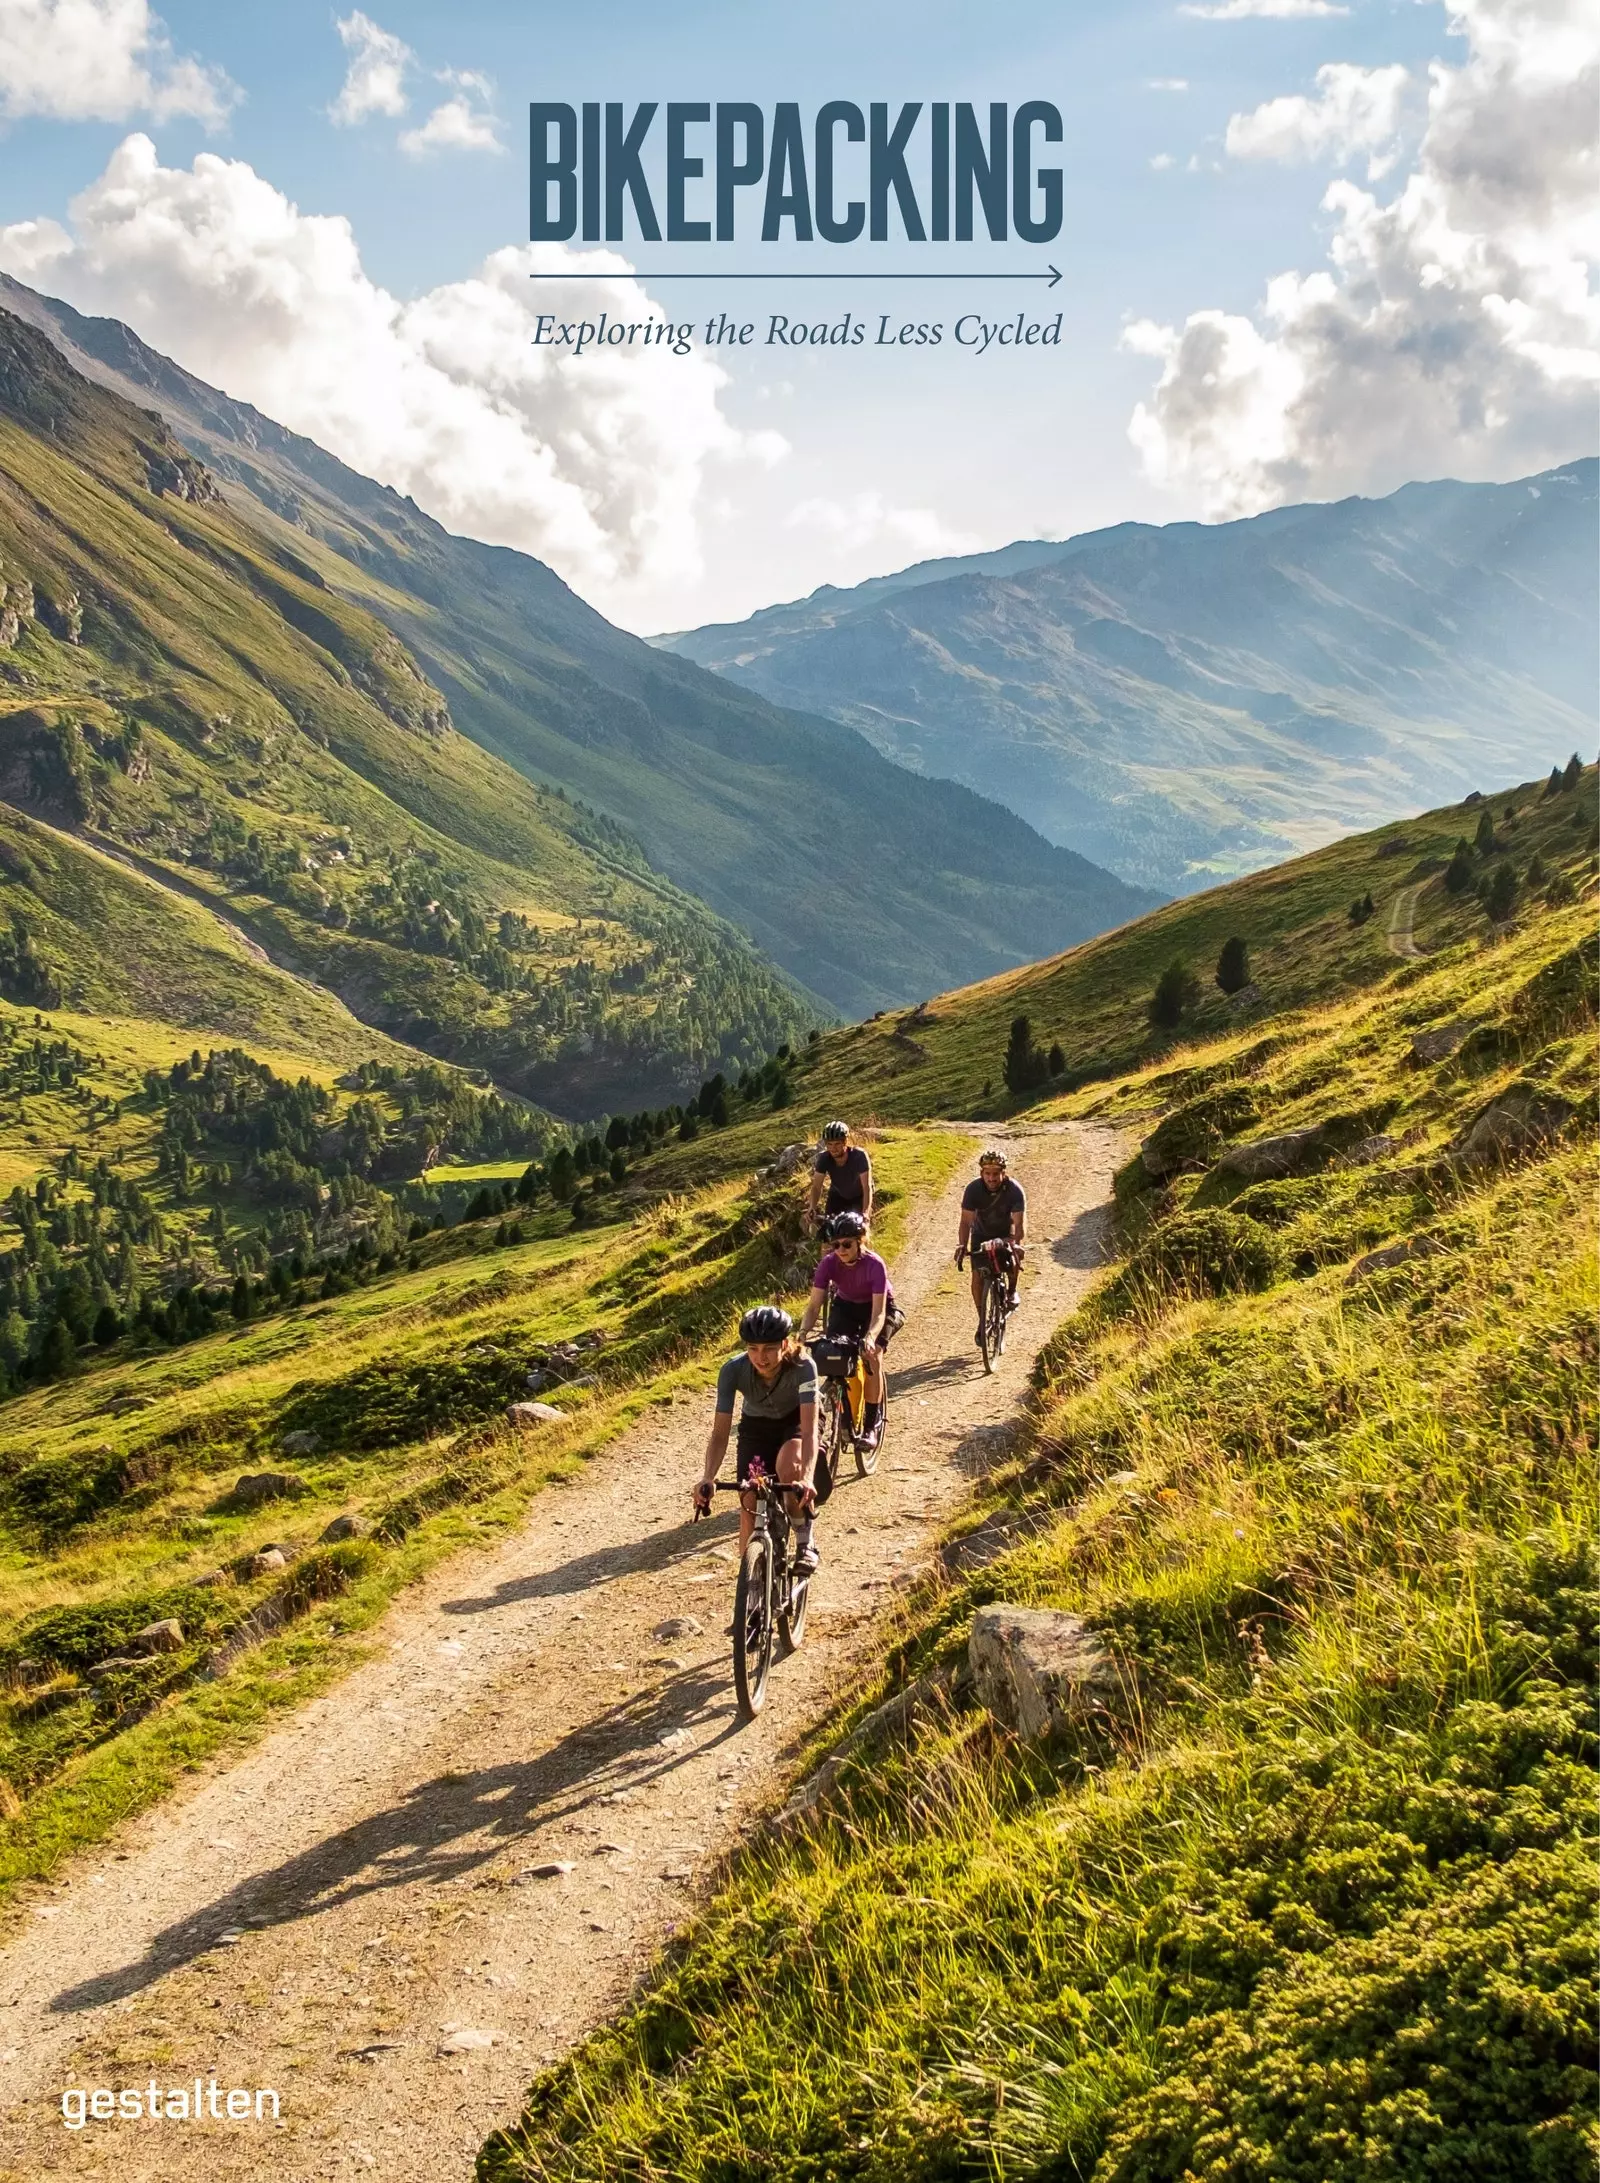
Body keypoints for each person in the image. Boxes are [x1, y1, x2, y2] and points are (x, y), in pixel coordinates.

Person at [693, 1304, 820, 1571]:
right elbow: (719, 1434)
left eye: (769, 1349)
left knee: (789, 1469)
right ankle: (753, 1581)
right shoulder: (732, 1370)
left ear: (784, 1344)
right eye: (753, 1349)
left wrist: (806, 1478)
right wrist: (708, 1476)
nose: (760, 1357)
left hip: (794, 1422)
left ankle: (804, 1540)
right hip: (756, 1426)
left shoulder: (803, 1367)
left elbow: (809, 1431)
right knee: (749, 1497)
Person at [798, 1211, 898, 1445]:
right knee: (833, 1354)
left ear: (860, 1241)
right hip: (847, 1306)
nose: (841, 1250)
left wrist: (871, 1338)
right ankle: (842, 1411)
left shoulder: (874, 1265)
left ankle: (871, 1426)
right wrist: (802, 1333)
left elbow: (879, 1313)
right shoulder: (829, 1263)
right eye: (836, 1245)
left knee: (872, 1358)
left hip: (879, 1308)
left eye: (847, 1244)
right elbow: (814, 1306)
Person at [956, 1147, 1026, 1345]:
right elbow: (965, 1222)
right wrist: (962, 1245)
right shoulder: (973, 1190)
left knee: (1012, 1259)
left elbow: (1020, 1223)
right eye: (987, 1174)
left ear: (1004, 1173)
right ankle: (981, 1319)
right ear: (981, 1174)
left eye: (996, 1174)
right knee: (977, 1276)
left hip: (1006, 1233)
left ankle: (1012, 1292)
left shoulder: (1014, 1191)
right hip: (981, 1234)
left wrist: (1016, 1244)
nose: (992, 1178)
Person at [806, 1119, 873, 1231]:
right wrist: (812, 1207)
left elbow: (867, 1187)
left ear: (845, 1142)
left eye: (837, 1144)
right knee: (828, 1232)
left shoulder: (859, 1156)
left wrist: (866, 1212)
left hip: (859, 1196)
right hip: (837, 1196)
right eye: (829, 1144)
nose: (833, 1148)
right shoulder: (824, 1158)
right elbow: (816, 1187)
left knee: (858, 1231)